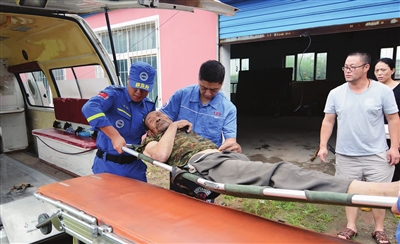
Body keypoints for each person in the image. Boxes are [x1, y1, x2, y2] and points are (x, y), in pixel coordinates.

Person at [135, 110, 399, 198]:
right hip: (204, 165)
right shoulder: (154, 141)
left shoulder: (185, 131)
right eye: (152, 119)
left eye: (160, 114)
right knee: (280, 171)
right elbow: (159, 156)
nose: (158, 118)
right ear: (148, 130)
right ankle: (372, 190)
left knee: (261, 171)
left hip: (220, 157)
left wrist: (232, 148)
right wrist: (172, 126)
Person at [318, 52, 400, 244]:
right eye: (345, 67)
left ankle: (378, 229)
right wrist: (323, 145)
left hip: (377, 154)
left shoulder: (382, 91)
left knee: (379, 193)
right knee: (349, 191)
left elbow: (394, 119)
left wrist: (394, 147)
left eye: (353, 67)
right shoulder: (336, 93)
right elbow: (328, 120)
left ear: (366, 68)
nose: (348, 71)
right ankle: (351, 226)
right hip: (346, 154)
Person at [160, 60, 241, 200]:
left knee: (203, 210)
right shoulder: (181, 96)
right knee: (176, 204)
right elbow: (162, 120)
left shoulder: (228, 109)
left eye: (214, 90)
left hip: (205, 169)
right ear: (198, 79)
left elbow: (230, 141)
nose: (208, 93)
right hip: (179, 164)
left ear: (221, 84)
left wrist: (233, 148)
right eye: (203, 87)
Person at [82, 61, 156, 182]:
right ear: (128, 80)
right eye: (135, 86)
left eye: (144, 89)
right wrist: (114, 135)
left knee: (138, 200)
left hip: (134, 167)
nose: (138, 92)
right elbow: (89, 108)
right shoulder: (114, 94)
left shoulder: (148, 107)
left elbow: (151, 135)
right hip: (107, 166)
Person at [375, 58, 400, 182]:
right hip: (377, 132)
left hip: (395, 131)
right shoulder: (372, 89)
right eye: (377, 70)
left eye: (383, 70)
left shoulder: (398, 88)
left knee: (395, 161)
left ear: (392, 71)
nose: (380, 73)